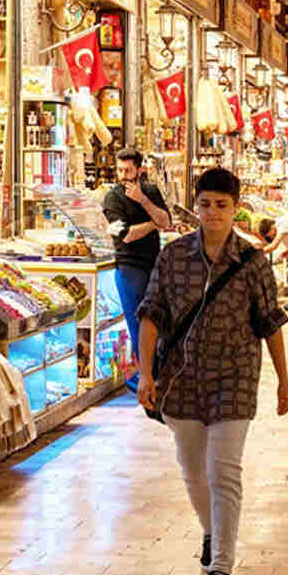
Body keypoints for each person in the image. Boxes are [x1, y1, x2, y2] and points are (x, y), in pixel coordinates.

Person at [135, 167, 288, 575]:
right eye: (205, 205)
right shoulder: (173, 258)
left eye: (221, 205)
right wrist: (146, 374)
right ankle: (211, 532)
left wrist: (283, 380)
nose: (212, 213)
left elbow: (270, 322)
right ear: (197, 205)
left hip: (235, 376)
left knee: (224, 470)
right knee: (191, 469)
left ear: (235, 208)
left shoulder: (253, 261)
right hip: (181, 378)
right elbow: (151, 314)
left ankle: (221, 568)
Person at [103, 148, 172, 392]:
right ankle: (145, 379)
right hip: (129, 266)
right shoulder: (112, 198)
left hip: (154, 264)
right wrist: (153, 224)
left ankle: (156, 374)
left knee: (157, 320)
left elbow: (167, 221)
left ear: (139, 170)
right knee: (138, 321)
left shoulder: (151, 192)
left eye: (128, 170)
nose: (123, 175)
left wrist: (143, 201)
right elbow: (127, 235)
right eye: (120, 170)